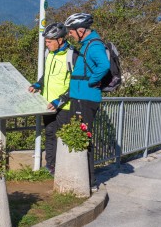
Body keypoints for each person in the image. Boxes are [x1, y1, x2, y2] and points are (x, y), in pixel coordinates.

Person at [65, 12, 110, 191]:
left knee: (84, 137)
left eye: (71, 31)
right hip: (79, 97)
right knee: (79, 137)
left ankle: (89, 181)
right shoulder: (86, 44)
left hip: (86, 98)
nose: (70, 34)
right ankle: (81, 176)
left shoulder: (93, 45)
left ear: (81, 30)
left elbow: (104, 66)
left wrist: (92, 81)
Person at [28, 22, 77, 176]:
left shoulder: (72, 55)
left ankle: (65, 169)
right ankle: (51, 166)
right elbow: (48, 75)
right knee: (50, 134)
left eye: (49, 41)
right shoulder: (49, 54)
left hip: (65, 106)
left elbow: (77, 83)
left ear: (60, 40)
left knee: (63, 138)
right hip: (48, 104)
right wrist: (38, 84)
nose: (46, 44)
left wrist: (61, 100)